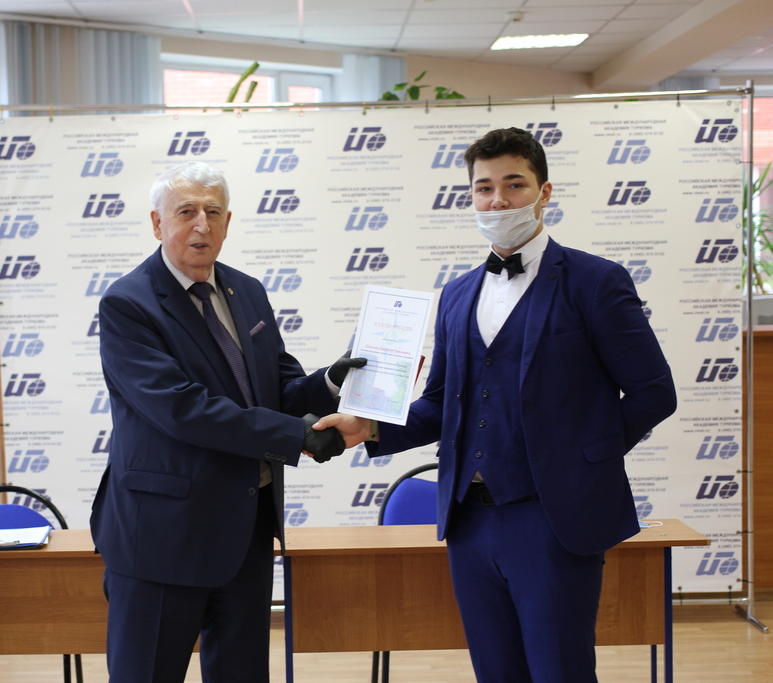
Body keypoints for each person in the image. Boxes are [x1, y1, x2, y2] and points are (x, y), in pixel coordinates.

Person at [315, 127, 677, 683]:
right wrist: (371, 426)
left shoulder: (595, 281)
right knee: (495, 673)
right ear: (471, 196)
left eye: (514, 184)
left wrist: (586, 460)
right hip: (469, 522)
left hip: (554, 518)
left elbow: (654, 392)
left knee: (560, 672)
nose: (498, 200)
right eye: (484, 188)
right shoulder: (457, 294)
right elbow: (440, 403)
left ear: (544, 192)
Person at [89, 161, 361, 683]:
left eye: (213, 212)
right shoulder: (128, 303)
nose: (202, 225)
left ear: (229, 222)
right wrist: (298, 436)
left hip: (245, 531)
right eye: (186, 212)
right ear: (157, 223)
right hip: (162, 538)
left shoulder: (248, 290)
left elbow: (277, 390)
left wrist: (330, 381)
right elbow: (181, 409)